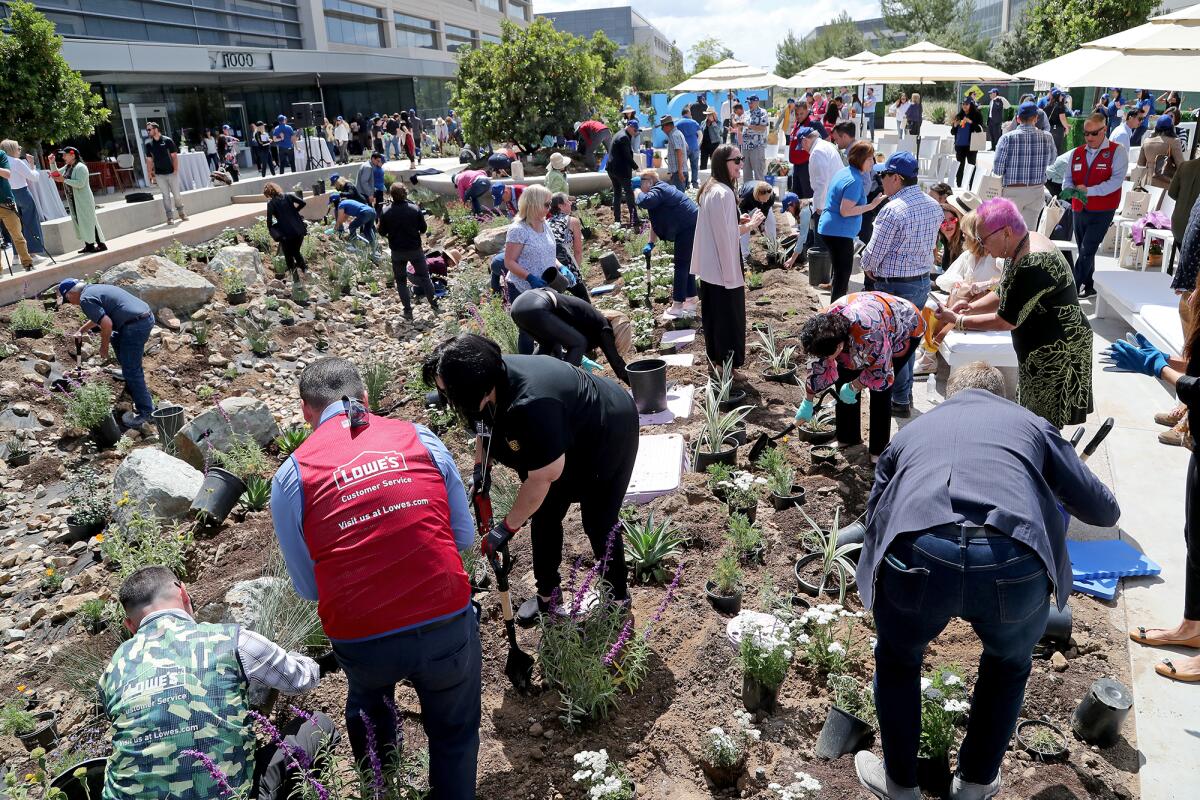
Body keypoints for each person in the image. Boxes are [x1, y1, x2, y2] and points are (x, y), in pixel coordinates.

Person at [853, 361, 1120, 800]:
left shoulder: (914, 431)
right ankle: (974, 784)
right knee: (1009, 664)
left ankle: (901, 786)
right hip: (1011, 561)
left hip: (920, 553)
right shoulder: (1030, 425)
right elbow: (1104, 511)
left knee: (899, 660)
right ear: (1003, 397)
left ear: (950, 394)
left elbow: (875, 513)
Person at [269, 358, 479, 795]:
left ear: (307, 412)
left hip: (362, 635)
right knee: (454, 734)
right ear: (366, 397)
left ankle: (381, 786)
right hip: (442, 617)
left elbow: (308, 586)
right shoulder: (419, 437)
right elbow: (462, 534)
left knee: (367, 700)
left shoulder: (292, 474)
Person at [422, 334, 639, 627]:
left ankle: (617, 599)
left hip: (605, 430)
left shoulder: (532, 404)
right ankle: (549, 597)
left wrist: (507, 527)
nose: (447, 400)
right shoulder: (482, 378)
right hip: (557, 434)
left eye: (450, 394)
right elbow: (484, 428)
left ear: (480, 391)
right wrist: (480, 469)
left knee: (598, 521)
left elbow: (542, 478)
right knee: (545, 516)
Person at [98, 566, 333, 800]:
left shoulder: (111, 672)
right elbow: (302, 679)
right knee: (318, 725)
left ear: (130, 626)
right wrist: (301, 657)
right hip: (229, 794)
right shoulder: (231, 640)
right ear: (184, 594)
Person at [934, 197, 1093, 428]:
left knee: (1044, 424)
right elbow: (1004, 290)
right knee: (1032, 417)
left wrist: (958, 321)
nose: (982, 247)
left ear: (1006, 232)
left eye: (983, 239)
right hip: (1039, 346)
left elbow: (1005, 321)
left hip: (1058, 350)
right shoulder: (1019, 244)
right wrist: (970, 306)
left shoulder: (1033, 260)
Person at [859, 152, 943, 416]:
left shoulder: (892, 210)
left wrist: (868, 267)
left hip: (893, 286)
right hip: (920, 281)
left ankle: (899, 398)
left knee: (896, 345)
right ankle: (902, 397)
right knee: (908, 340)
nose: (881, 180)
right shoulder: (933, 205)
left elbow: (872, 255)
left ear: (897, 178)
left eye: (884, 175)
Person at [796, 291, 926, 459]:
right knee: (844, 375)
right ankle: (847, 437)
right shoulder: (820, 328)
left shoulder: (870, 332)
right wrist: (808, 400)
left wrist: (854, 386)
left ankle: (878, 452)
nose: (825, 360)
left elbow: (880, 372)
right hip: (867, 317)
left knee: (880, 391)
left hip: (904, 324)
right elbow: (817, 362)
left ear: (839, 346)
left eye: (828, 355)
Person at [691, 144, 764, 378]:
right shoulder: (723, 192)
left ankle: (719, 364)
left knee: (714, 317)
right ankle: (727, 368)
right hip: (724, 269)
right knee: (728, 319)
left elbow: (718, 225)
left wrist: (736, 219)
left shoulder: (712, 188)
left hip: (712, 269)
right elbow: (725, 236)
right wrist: (749, 226)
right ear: (723, 163)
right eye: (737, 160)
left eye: (742, 159)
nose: (741, 164)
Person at [58, 279, 153, 426]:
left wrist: (104, 347)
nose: (70, 303)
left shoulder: (85, 299)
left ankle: (147, 412)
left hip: (135, 326)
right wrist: (81, 330)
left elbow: (106, 324)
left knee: (132, 370)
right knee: (116, 338)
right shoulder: (93, 289)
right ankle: (128, 370)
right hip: (143, 317)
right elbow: (101, 317)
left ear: (70, 294)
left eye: (67, 300)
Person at [1063, 112, 1127, 298]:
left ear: (1104, 130)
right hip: (1079, 208)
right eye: (1086, 133)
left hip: (1103, 209)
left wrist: (1088, 191)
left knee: (1087, 249)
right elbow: (1067, 179)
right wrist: (1072, 190)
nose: (1089, 137)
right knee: (1085, 248)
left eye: (1094, 133)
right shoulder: (1077, 153)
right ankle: (1089, 286)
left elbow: (1115, 182)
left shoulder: (1117, 151)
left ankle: (1070, 292)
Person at [510, 288, 630, 382]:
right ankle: (565, 385)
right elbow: (617, 365)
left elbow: (559, 346)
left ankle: (526, 379)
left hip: (518, 306)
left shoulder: (590, 318)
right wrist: (638, 385)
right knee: (579, 343)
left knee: (548, 345)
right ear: (618, 333)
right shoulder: (604, 327)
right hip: (538, 305)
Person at [819, 141, 885, 301]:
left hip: (832, 229)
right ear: (861, 159)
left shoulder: (845, 172)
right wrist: (871, 206)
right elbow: (845, 210)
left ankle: (834, 312)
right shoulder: (855, 181)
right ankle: (835, 316)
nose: (873, 162)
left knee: (840, 275)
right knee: (842, 277)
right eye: (870, 159)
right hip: (838, 233)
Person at [636, 170, 699, 319]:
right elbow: (655, 220)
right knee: (686, 264)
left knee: (681, 264)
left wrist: (637, 191)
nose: (639, 185)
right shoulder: (659, 192)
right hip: (688, 226)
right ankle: (690, 299)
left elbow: (645, 202)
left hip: (688, 227)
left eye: (641, 181)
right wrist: (651, 242)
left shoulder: (659, 189)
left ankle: (677, 306)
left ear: (650, 181)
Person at [992, 102, 1056, 231]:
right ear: (1036, 118)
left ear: (1018, 118)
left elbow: (998, 170)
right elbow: (1051, 161)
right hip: (1036, 190)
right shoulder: (1047, 137)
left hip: (1012, 191)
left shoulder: (1006, 138)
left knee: (1009, 233)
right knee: (1029, 233)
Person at [378, 183, 437, 320]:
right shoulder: (414, 209)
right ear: (405, 193)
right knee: (425, 277)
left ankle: (408, 311)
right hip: (415, 249)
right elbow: (423, 229)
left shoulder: (386, 211)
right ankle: (434, 305)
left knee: (401, 282)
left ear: (391, 195)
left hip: (397, 252)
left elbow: (381, 232)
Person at [503, 183, 557, 322]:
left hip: (543, 286)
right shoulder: (518, 229)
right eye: (546, 204)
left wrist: (560, 266)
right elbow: (509, 262)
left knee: (548, 331)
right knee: (527, 333)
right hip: (522, 288)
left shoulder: (544, 223)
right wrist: (530, 277)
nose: (549, 208)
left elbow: (548, 252)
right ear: (534, 204)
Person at [50, 147, 106, 253]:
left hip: (83, 199)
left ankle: (101, 244)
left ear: (72, 155)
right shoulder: (68, 166)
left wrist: (64, 180)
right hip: (74, 199)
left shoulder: (81, 167)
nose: (63, 157)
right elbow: (56, 174)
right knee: (80, 221)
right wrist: (52, 163)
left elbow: (80, 183)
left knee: (90, 221)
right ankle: (89, 245)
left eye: (65, 155)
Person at [0, 140, 44, 260]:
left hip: (7, 195)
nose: (20, 150)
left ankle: (16, 255)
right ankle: (33, 252)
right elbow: (34, 177)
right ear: (12, 149)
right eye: (18, 148)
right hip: (22, 193)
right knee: (30, 222)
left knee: (14, 226)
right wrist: (32, 165)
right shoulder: (16, 162)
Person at [547, 192, 589, 302]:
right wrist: (577, 271)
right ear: (560, 206)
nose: (570, 203)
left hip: (548, 260)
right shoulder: (572, 221)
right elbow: (578, 251)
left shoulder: (546, 222)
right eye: (567, 201)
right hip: (563, 258)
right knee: (583, 299)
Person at [142, 122, 187, 225]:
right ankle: (170, 217)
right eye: (147, 130)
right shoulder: (149, 144)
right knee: (165, 196)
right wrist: (150, 174)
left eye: (149, 129)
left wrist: (175, 170)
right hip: (159, 174)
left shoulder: (167, 141)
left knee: (177, 195)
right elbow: (149, 160)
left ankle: (182, 213)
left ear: (156, 129)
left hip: (171, 172)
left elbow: (174, 156)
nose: (148, 132)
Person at [797, 127, 843, 227]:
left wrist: (819, 208)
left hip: (828, 202)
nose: (803, 149)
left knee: (821, 241)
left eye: (802, 146)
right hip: (835, 197)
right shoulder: (825, 145)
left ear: (805, 141)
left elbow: (821, 183)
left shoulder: (817, 152)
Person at [264, 182, 307, 276]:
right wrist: (295, 211)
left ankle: (295, 276)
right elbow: (303, 203)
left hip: (286, 233)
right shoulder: (288, 196)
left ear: (268, 194)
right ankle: (304, 271)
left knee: (288, 254)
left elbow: (269, 221)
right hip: (299, 229)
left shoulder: (271, 203)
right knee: (296, 251)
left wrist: (273, 231)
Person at [607, 118, 640, 229]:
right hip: (620, 170)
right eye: (635, 130)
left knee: (617, 194)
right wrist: (636, 167)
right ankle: (634, 219)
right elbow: (627, 156)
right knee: (629, 193)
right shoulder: (624, 137)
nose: (635, 133)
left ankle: (617, 219)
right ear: (630, 127)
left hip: (612, 169)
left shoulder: (619, 134)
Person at [1138, 114, 1184, 190]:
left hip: (1147, 182)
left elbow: (1140, 163)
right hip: (1165, 182)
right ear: (1171, 127)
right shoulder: (1174, 141)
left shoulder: (1146, 141)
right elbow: (1181, 164)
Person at [738, 180, 777, 261]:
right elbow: (742, 207)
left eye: (767, 198)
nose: (766, 200)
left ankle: (772, 250)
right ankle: (744, 254)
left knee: (771, 223)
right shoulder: (746, 195)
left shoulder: (771, 196)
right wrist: (749, 221)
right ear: (757, 195)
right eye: (764, 198)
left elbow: (765, 211)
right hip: (747, 207)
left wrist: (761, 225)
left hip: (761, 206)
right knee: (745, 226)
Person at [952, 97, 984, 187]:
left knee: (971, 166)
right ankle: (959, 186)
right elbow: (953, 132)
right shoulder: (959, 115)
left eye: (966, 104)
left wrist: (970, 122)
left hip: (972, 145)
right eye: (963, 104)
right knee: (960, 166)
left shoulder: (977, 115)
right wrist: (954, 126)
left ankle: (971, 186)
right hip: (960, 145)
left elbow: (979, 129)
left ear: (971, 105)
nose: (964, 106)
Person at [742, 95, 770, 183]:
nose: (749, 104)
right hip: (745, 147)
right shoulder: (746, 113)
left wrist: (749, 126)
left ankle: (761, 195)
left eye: (751, 102)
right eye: (748, 103)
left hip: (757, 146)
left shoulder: (762, 112)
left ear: (757, 102)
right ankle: (748, 194)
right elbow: (742, 127)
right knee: (746, 174)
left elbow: (762, 128)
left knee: (758, 173)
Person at [677, 108, 701, 189]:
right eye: (690, 113)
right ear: (687, 113)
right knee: (694, 166)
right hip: (694, 147)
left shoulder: (677, 124)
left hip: (683, 148)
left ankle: (686, 184)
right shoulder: (694, 122)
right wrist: (697, 144)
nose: (691, 115)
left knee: (684, 166)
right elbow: (700, 135)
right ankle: (695, 183)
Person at [1047, 88, 1071, 155]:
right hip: (1057, 131)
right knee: (1057, 151)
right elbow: (1062, 119)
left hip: (1049, 129)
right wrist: (1066, 128)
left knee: (1049, 150)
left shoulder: (1048, 106)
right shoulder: (1060, 107)